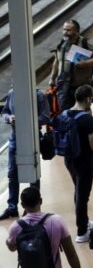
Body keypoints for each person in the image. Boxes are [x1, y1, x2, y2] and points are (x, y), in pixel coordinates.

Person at [56, 85, 93, 243]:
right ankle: (82, 231)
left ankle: (84, 221)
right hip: (85, 161)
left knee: (78, 190)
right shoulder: (87, 119)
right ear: (88, 98)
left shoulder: (64, 114)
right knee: (83, 195)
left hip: (69, 159)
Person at [1, 86, 52, 220]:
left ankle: (33, 208)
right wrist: (9, 118)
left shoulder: (39, 95)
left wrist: (27, 122)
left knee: (33, 173)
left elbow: (46, 116)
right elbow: (5, 111)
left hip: (32, 137)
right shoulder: (12, 92)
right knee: (12, 173)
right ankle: (12, 207)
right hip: (14, 138)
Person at [5, 187, 81, 268]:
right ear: (41, 201)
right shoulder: (57, 221)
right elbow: (71, 255)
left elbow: (12, 248)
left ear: (22, 205)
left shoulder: (15, 227)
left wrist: (8, 240)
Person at [50, 20, 93, 111]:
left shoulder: (84, 44)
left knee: (83, 111)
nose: (65, 32)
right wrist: (52, 78)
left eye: (68, 30)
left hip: (81, 86)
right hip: (64, 86)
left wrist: (85, 64)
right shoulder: (62, 44)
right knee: (65, 112)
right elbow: (57, 62)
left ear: (77, 32)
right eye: (64, 30)